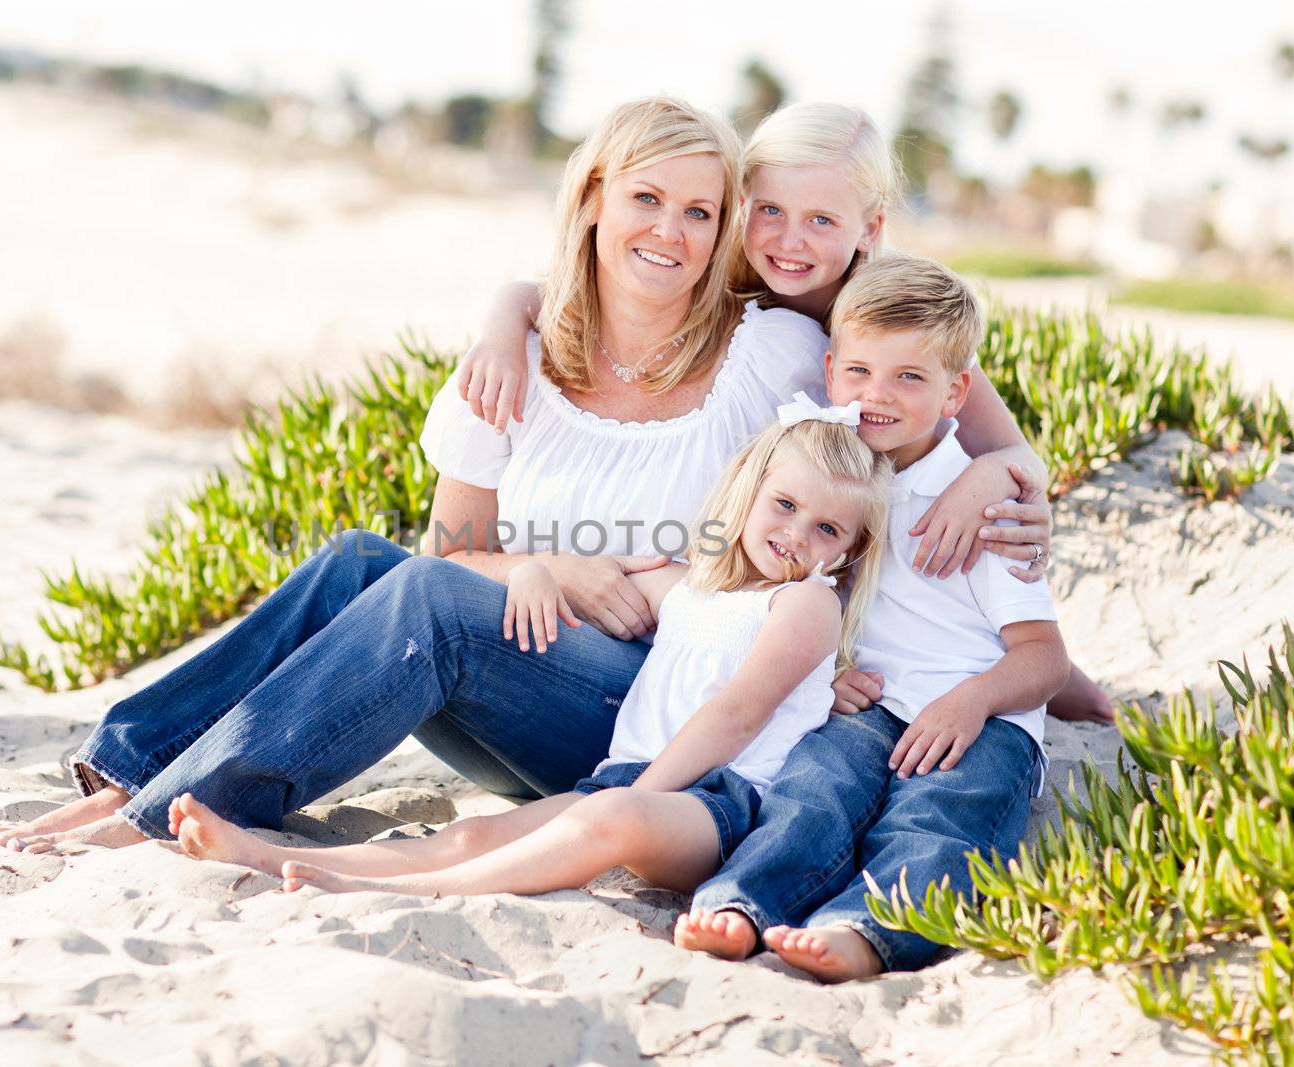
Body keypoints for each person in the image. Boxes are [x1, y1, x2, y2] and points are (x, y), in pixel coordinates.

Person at [0, 95, 833, 853]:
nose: (670, 231)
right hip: (519, 696)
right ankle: (132, 771)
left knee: (431, 600)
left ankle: (171, 812)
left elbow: (890, 373)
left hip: (661, 713)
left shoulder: (769, 357)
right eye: (645, 198)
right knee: (359, 562)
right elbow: (455, 552)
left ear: (724, 231)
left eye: (699, 211)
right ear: (591, 201)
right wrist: (555, 574)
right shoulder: (517, 364)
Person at [455, 101, 1110, 723]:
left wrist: (993, 477)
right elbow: (576, 290)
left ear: (869, 228)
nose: (790, 241)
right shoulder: (726, 281)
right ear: (742, 205)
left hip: (882, 512)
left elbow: (1009, 447)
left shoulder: (885, 315)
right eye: (769, 210)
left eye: (822, 220)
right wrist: (503, 315)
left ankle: (1059, 676)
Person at [163, 412, 895, 899]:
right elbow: (611, 571)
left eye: (828, 528)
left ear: (849, 550)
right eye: (786, 506)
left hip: (714, 799)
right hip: (625, 779)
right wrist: (535, 569)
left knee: (606, 825)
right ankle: (285, 862)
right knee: (474, 832)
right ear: (750, 490)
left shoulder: (805, 603)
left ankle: (383, 889)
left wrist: (637, 789)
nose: (799, 535)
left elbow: (739, 712)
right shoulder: (696, 585)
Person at [674, 254, 1070, 980]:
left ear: (957, 392)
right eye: (858, 372)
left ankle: (865, 929)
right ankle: (742, 903)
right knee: (811, 790)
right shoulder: (835, 479)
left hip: (980, 720)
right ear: (830, 372)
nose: (876, 396)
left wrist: (972, 700)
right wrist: (837, 672)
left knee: (939, 818)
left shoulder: (985, 503)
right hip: (869, 704)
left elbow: (1046, 658)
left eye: (908, 378)